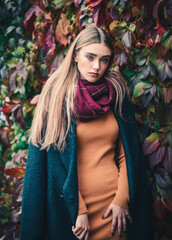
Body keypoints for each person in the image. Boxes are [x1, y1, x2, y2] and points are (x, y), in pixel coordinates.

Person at [21, 24, 153, 240]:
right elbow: (53, 162)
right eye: (90, 57)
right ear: (75, 55)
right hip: (71, 210)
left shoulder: (115, 93)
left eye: (104, 60)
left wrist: (122, 200)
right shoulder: (56, 96)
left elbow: (127, 154)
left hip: (114, 210)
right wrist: (78, 209)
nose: (96, 67)